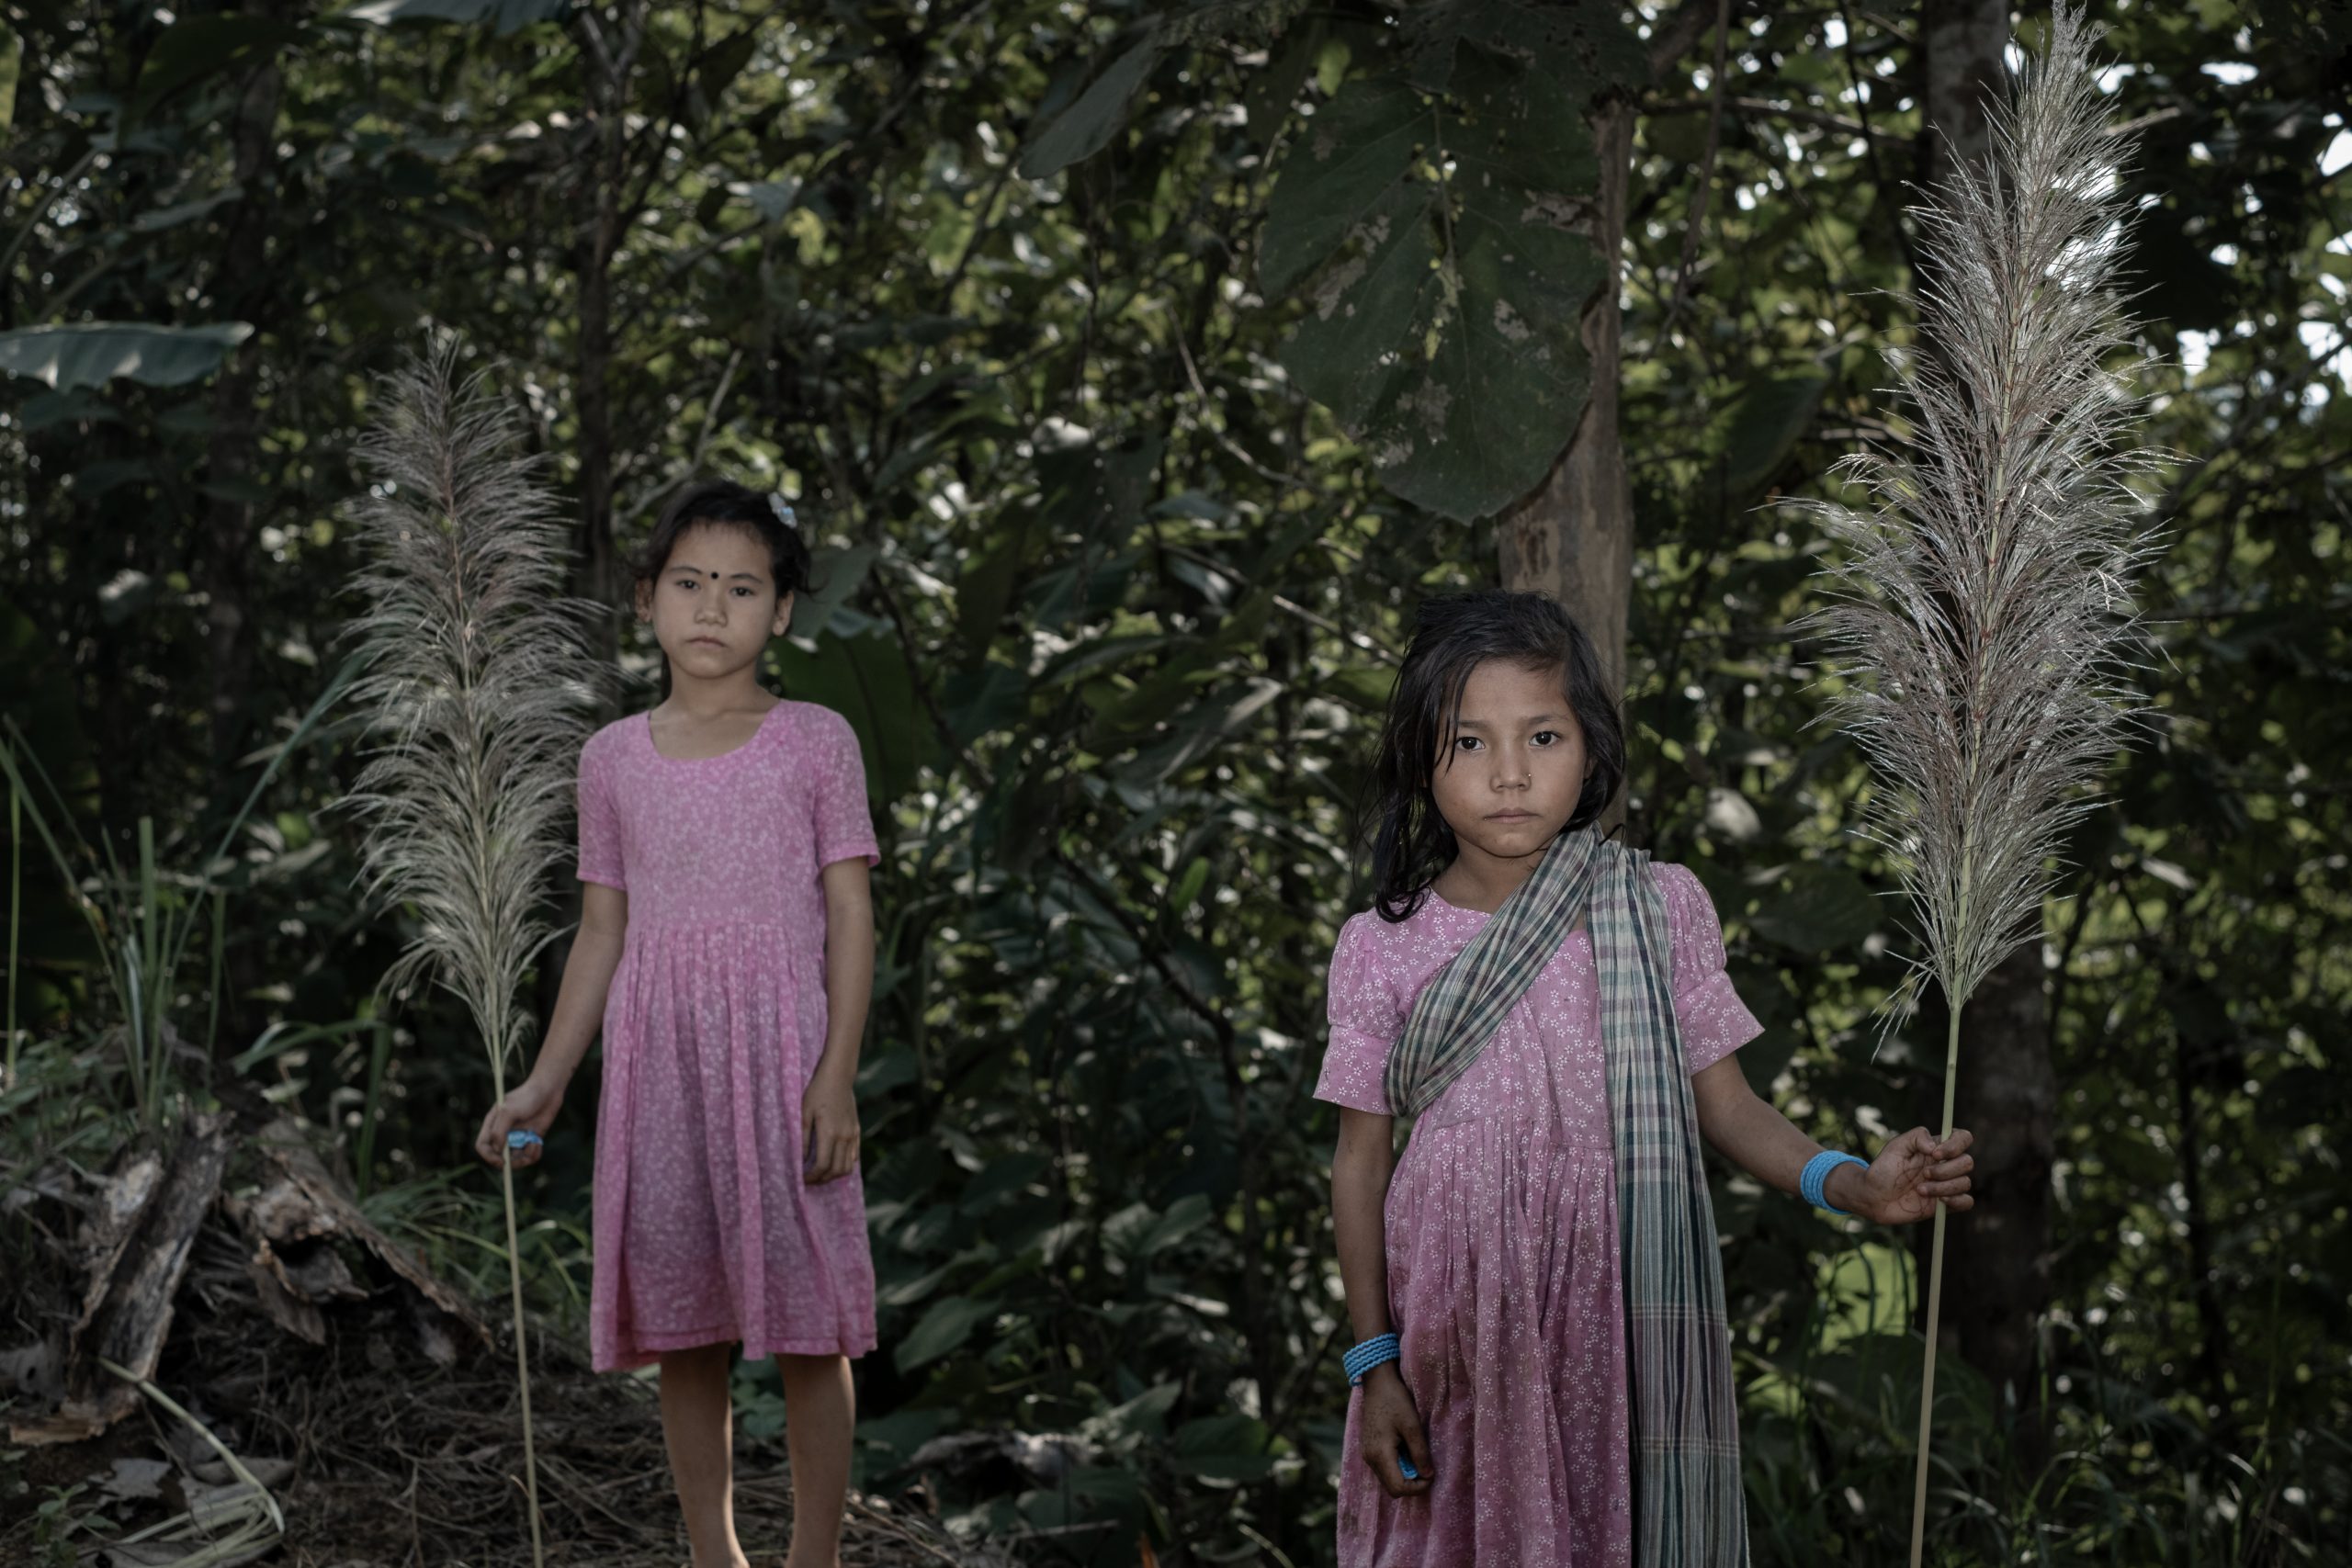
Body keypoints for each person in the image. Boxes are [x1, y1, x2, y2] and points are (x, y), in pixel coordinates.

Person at [1319, 590, 1975, 1568]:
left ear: (1589, 749)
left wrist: (1853, 1185)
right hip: (1453, 1328)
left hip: (1613, 1314)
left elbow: (1731, 1107)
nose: (1508, 774)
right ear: (1423, 759)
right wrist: (1374, 1367)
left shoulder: (1653, 908)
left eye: (1541, 736)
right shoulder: (1382, 947)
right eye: (1469, 743)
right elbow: (1359, 1168)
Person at [475, 479, 879, 1568]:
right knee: (686, 1328)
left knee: (809, 1326)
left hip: (783, 1057)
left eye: (743, 589)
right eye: (690, 584)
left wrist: (835, 1074)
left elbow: (850, 910)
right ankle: (714, 1554)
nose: (713, 609)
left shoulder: (814, 740)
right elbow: (601, 930)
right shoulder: (611, 757)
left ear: (782, 612)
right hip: (658, 1072)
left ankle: (814, 1558)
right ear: (647, 598)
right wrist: (546, 1081)